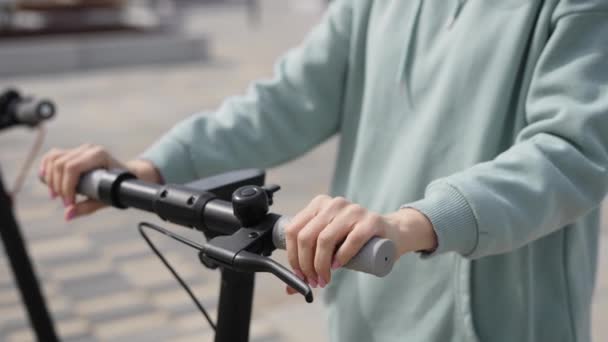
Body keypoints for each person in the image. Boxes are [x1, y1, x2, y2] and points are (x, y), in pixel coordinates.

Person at [40, 1, 608, 341]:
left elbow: (572, 151)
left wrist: (410, 224)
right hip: (366, 297)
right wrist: (150, 166)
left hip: (497, 319)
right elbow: (286, 100)